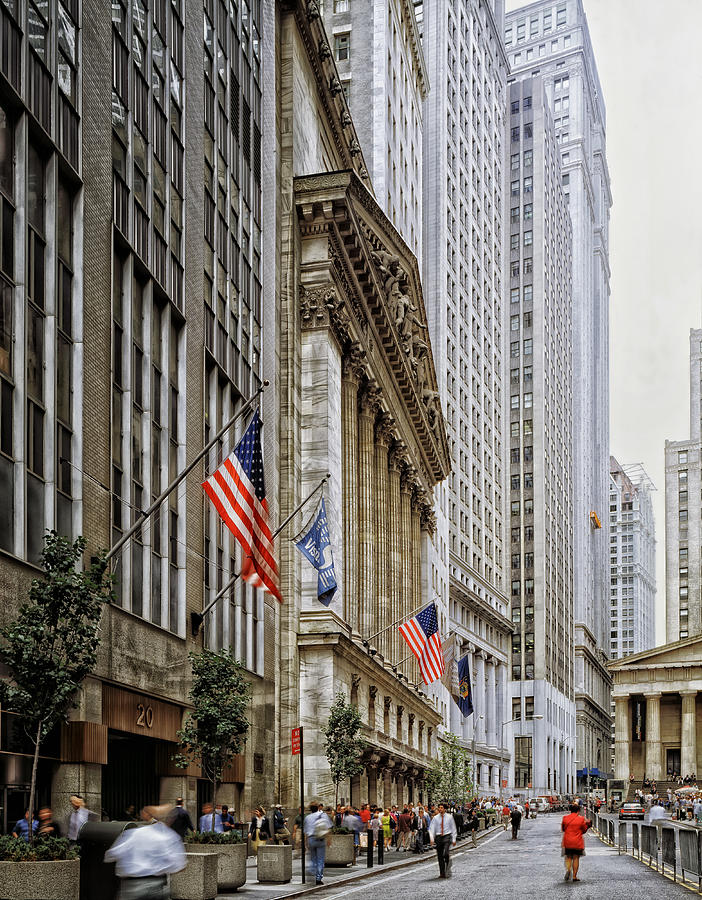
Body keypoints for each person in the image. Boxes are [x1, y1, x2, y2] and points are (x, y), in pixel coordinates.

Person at [105, 805, 185, 900]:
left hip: (133, 886)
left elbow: (112, 854)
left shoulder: (135, 833)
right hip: (157, 886)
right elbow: (179, 865)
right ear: (171, 820)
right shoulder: (171, 837)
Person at [561, 802, 592, 882]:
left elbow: (563, 829)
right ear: (578, 811)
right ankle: (574, 876)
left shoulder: (565, 818)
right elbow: (584, 830)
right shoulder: (581, 819)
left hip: (567, 841)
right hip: (577, 842)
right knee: (576, 858)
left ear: (570, 811)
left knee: (568, 857)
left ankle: (568, 869)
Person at [304, 802, 332, 885]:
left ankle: (311, 869)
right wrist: (329, 839)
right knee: (320, 859)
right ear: (318, 808)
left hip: (311, 839)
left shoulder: (307, 817)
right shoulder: (323, 815)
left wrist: (306, 842)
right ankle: (318, 878)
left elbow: (305, 832)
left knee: (312, 858)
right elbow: (328, 828)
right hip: (321, 839)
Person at [429, 803, 457, 879]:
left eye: (441, 808)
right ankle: (442, 873)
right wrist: (432, 838)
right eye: (439, 808)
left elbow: (453, 828)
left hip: (447, 836)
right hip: (438, 837)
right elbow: (431, 829)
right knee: (440, 856)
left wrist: (454, 839)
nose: (440, 809)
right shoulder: (435, 818)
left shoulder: (449, 817)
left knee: (446, 853)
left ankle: (447, 863)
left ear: (444, 809)